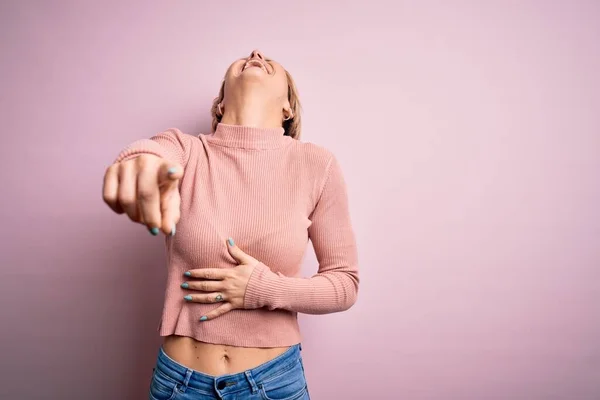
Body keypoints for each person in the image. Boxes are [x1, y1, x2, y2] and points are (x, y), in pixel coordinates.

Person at [102, 49, 359, 400]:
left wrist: (263, 289)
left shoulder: (316, 164)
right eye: (243, 57)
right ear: (219, 104)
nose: (256, 53)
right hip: (180, 385)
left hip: (275, 383)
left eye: (272, 62)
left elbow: (345, 284)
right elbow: (151, 154)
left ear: (288, 108)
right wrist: (138, 164)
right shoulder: (187, 150)